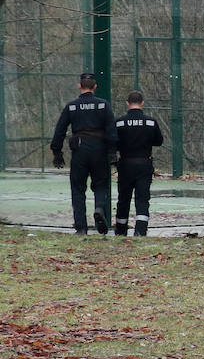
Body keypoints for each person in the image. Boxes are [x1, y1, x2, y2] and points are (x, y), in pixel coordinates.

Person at [50, 72, 118, 235]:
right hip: (99, 149)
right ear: (95, 87)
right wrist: (112, 152)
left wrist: (57, 151)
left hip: (79, 150)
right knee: (101, 183)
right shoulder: (103, 105)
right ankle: (99, 208)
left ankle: (81, 227)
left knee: (78, 187)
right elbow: (111, 130)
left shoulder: (72, 106)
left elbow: (60, 130)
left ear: (79, 86)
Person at [113, 91, 164, 237]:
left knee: (124, 198)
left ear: (127, 103)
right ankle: (141, 230)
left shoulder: (119, 122)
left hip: (125, 164)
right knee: (142, 198)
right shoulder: (150, 122)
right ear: (142, 103)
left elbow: (114, 142)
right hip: (144, 163)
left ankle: (121, 230)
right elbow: (159, 141)